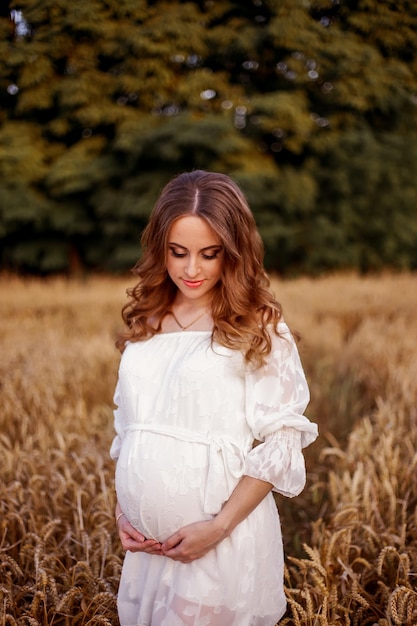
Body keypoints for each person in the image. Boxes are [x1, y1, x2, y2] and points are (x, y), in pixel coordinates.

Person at [110, 170, 318, 626]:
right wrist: (125, 510)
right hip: (147, 552)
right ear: (159, 247)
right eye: (177, 252)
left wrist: (218, 528)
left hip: (220, 543)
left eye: (210, 254)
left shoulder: (257, 326)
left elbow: (282, 439)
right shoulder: (147, 321)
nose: (191, 270)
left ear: (234, 251)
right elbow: (129, 429)